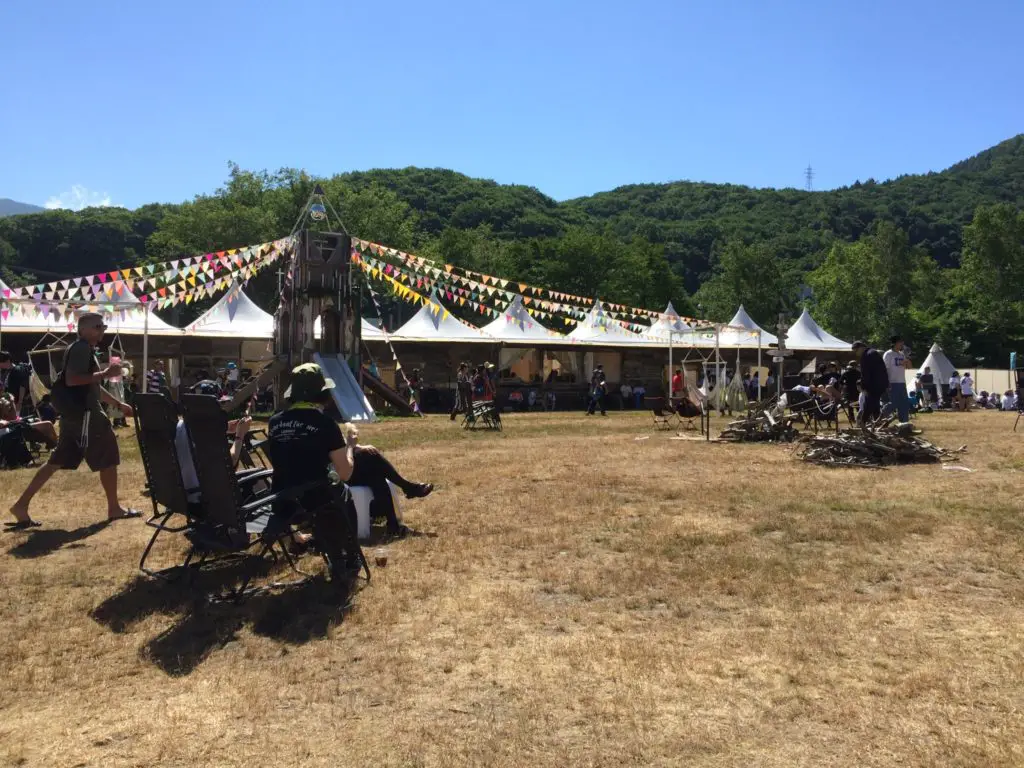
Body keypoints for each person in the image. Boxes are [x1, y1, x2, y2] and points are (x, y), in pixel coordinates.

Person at [7, 313, 139, 530]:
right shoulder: (81, 348)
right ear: (84, 329)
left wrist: (118, 404)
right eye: (98, 326)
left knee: (55, 461)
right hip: (87, 416)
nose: (102, 330)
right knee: (108, 457)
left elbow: (92, 385)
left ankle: (21, 505)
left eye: (103, 326)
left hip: (73, 417)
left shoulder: (81, 348)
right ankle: (114, 508)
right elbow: (73, 379)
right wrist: (106, 372)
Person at [852, 340, 887, 425]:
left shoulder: (866, 356)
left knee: (867, 406)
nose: (856, 353)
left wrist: (863, 386)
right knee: (875, 406)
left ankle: (862, 425)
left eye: (856, 351)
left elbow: (865, 373)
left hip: (873, 385)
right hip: (881, 383)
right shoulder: (874, 352)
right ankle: (878, 423)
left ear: (861, 348)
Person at [882, 335, 911, 422]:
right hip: (892, 382)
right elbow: (884, 369)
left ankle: (904, 424)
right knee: (893, 403)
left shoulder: (902, 354)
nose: (902, 344)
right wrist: (886, 382)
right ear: (895, 343)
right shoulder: (888, 354)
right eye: (900, 342)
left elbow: (909, 367)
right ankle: (880, 416)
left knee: (904, 404)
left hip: (902, 382)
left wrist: (907, 358)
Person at [0, 351, 31, 417]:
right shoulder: (6, 371)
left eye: (1, 363)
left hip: (17, 402)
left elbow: (22, 386)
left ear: (7, 361)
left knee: (18, 419)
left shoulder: (17, 370)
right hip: (10, 402)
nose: (0, 365)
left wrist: (20, 402)